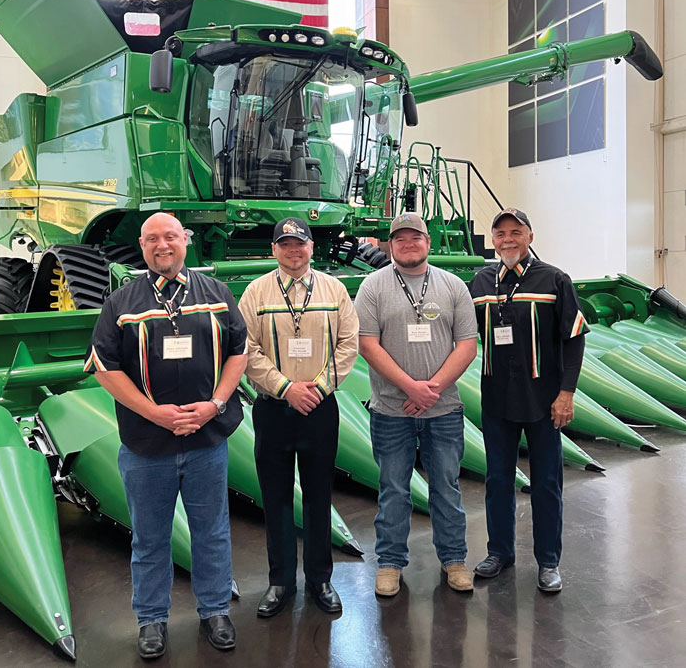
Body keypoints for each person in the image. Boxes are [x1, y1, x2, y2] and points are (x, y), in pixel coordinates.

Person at [83, 212, 247, 658]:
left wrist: (215, 403)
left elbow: (239, 352)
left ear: (185, 241)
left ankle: (215, 610)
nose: (162, 246)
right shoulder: (121, 303)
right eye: (152, 239)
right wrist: (153, 413)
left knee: (211, 530)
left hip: (206, 441)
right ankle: (151, 620)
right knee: (150, 537)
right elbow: (104, 367)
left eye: (170, 236)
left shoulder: (216, 294)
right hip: (146, 445)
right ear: (142, 246)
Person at [237, 217, 359, 618]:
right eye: (285, 244)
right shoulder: (255, 294)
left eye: (300, 243)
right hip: (274, 409)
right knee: (275, 499)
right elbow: (246, 350)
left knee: (320, 495)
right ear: (274, 250)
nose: (294, 250)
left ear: (310, 247)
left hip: (320, 409)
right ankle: (281, 582)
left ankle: (321, 579)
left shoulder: (335, 290)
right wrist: (285, 388)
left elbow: (348, 345)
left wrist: (319, 388)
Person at [355, 212, 478, 597]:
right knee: (393, 489)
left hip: (444, 411)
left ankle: (455, 559)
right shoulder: (373, 287)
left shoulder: (453, 286)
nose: (408, 245)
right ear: (390, 246)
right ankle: (390, 564)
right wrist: (411, 387)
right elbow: (367, 344)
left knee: (446, 487)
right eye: (400, 239)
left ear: (429, 242)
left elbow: (467, 345)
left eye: (416, 238)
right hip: (391, 411)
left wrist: (433, 389)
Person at [468, 208, 589, 593]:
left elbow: (574, 338)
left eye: (515, 232)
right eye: (500, 233)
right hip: (497, 401)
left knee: (546, 483)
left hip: (543, 402)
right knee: (497, 480)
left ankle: (548, 561)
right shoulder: (481, 281)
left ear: (530, 237)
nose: (507, 240)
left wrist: (566, 393)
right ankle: (499, 552)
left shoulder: (554, 279)